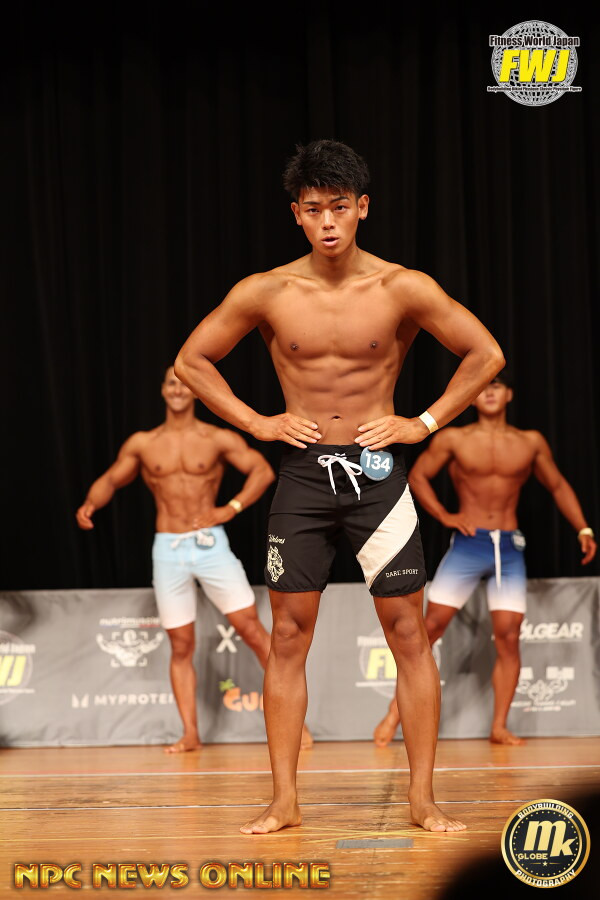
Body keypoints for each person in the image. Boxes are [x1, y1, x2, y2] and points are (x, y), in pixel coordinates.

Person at [174, 139, 505, 833]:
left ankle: (422, 799)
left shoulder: (401, 287)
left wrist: (422, 422)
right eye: (314, 209)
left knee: (409, 634)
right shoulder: (266, 291)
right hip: (302, 474)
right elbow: (193, 361)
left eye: (340, 207)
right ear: (296, 214)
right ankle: (285, 801)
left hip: (378, 474)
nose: (328, 222)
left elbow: (486, 354)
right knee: (288, 637)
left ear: (363, 208)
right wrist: (258, 422)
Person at [76, 366, 313, 753]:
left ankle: (296, 725)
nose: (177, 389)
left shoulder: (216, 438)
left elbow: (261, 470)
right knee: (180, 644)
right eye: (171, 383)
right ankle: (190, 733)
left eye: (184, 384)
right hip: (168, 548)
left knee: (252, 630)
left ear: (197, 393)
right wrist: (90, 502)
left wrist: (230, 508)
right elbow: (112, 479)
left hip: (209, 545)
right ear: (162, 390)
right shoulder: (143, 443)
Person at [373, 372, 597, 748]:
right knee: (429, 628)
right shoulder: (454, 439)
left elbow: (557, 485)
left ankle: (499, 726)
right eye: (483, 388)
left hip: (509, 548)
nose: (490, 393)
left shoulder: (530, 442)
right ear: (473, 397)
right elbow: (418, 476)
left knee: (509, 636)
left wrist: (583, 528)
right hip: (468, 545)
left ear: (509, 395)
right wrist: (444, 516)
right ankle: (395, 714)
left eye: (497, 387)